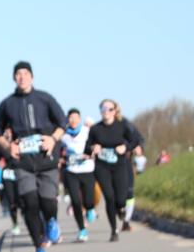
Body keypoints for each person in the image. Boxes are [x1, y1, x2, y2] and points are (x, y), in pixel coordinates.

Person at [0, 62, 67, 252]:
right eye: (18, 74)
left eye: (25, 73)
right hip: (23, 163)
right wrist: (9, 148)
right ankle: (39, 248)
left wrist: (52, 139)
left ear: (32, 77)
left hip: (47, 160)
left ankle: (52, 221)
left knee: (48, 202)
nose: (22, 77)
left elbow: (63, 122)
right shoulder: (8, 103)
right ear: (14, 78)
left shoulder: (44, 98)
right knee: (29, 205)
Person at [85, 98, 139, 242]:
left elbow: (136, 139)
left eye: (109, 109)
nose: (106, 112)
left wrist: (125, 147)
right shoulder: (96, 129)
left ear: (115, 111)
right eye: (103, 109)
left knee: (121, 199)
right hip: (102, 167)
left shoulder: (122, 126)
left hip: (120, 165)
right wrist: (93, 148)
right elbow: (87, 147)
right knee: (109, 197)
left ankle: (121, 209)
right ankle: (114, 230)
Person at [59, 108, 97, 242]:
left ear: (80, 119)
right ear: (67, 120)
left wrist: (91, 152)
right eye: (70, 118)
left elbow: (96, 144)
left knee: (88, 200)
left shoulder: (87, 132)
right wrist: (60, 158)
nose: (73, 120)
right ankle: (82, 229)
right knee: (75, 201)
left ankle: (91, 208)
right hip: (71, 171)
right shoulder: (63, 135)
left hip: (87, 170)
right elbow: (58, 150)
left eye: (75, 117)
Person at [121, 114, 145, 232]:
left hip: (125, 163)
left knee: (129, 192)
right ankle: (120, 210)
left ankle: (127, 220)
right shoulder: (102, 127)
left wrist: (138, 147)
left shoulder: (125, 124)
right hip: (109, 167)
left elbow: (139, 138)